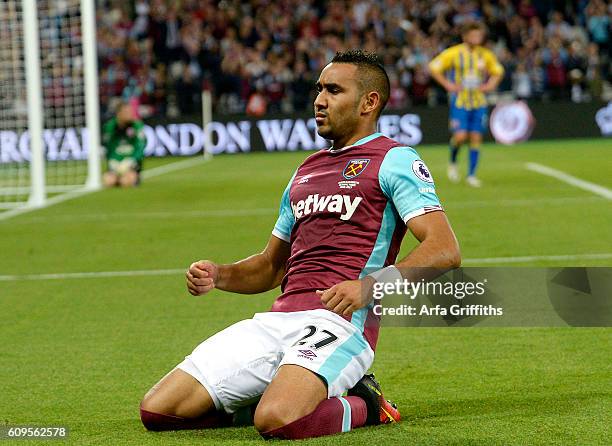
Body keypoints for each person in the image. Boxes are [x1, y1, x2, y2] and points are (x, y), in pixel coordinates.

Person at [139, 50, 461, 440]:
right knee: (159, 411)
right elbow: (272, 266)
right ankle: (284, 392)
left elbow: (444, 249)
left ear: (369, 102)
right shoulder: (306, 170)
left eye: (333, 90)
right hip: (276, 321)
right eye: (319, 89)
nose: (319, 100)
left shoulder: (393, 159)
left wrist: (369, 286)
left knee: (278, 421)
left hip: (339, 323)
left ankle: (366, 403)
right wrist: (220, 274)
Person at [429, 21, 504, 187]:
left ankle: (471, 175)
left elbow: (498, 71)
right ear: (465, 36)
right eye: (473, 35)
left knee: (476, 137)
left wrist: (491, 84)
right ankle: (453, 162)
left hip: (479, 102)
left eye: (479, 35)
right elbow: (434, 67)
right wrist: (447, 85)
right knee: (461, 136)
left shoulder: (485, 54)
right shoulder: (454, 53)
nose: (477, 38)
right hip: (460, 102)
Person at [102, 100, 146, 188]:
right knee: (108, 181)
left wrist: (131, 161)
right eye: (126, 112)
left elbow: (140, 146)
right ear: (119, 113)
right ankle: (117, 178)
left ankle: (132, 177)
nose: (130, 114)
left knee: (126, 181)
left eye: (130, 111)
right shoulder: (110, 126)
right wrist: (114, 161)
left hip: (131, 163)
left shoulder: (136, 125)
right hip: (116, 163)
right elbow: (108, 147)